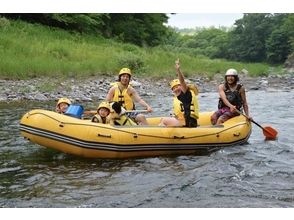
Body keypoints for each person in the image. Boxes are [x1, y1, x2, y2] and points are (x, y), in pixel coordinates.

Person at [159, 59, 199, 127]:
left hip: (189, 122)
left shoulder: (187, 94)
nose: (176, 89)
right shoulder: (180, 97)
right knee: (163, 121)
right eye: (174, 88)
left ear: (182, 87)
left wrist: (178, 70)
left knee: (163, 120)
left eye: (177, 87)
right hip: (185, 121)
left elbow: (182, 81)